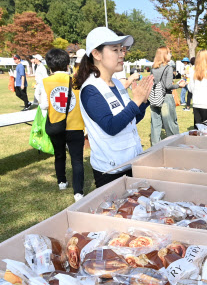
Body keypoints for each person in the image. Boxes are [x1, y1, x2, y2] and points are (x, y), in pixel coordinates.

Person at [76, 27, 153, 188]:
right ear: (96, 54)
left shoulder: (117, 83)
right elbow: (111, 126)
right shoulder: (91, 90)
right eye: (115, 50)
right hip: (111, 170)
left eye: (122, 49)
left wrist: (143, 102)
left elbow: (130, 120)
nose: (121, 54)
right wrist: (135, 102)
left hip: (131, 161)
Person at [39, 49, 85, 201]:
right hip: (75, 126)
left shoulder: (45, 82)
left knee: (59, 154)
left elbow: (44, 105)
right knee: (77, 160)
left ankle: (62, 181)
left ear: (49, 66)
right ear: (67, 65)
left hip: (56, 125)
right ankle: (78, 191)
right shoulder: (77, 81)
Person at [149, 47, 183, 145]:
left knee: (155, 123)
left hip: (155, 97)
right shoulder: (168, 68)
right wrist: (178, 85)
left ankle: (155, 145)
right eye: (169, 53)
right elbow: (168, 85)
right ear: (164, 55)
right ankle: (174, 143)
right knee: (170, 123)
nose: (171, 55)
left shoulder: (153, 68)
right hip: (165, 97)